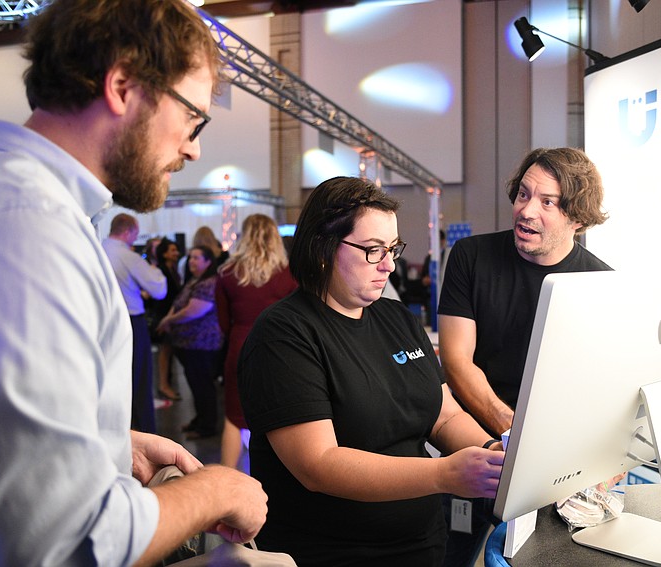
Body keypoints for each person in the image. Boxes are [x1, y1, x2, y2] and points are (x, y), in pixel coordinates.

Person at [0, 1, 267, 565]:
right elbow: (57, 541)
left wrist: (103, 445)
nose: (194, 147)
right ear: (121, 85)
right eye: (194, 118)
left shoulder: (21, 206)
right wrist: (216, 489)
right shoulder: (27, 230)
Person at [238, 176, 505, 567]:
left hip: (423, 545)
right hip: (330, 553)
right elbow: (320, 465)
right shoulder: (284, 336)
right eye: (372, 250)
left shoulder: (397, 318)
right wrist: (444, 474)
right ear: (324, 248)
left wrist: (490, 453)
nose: (388, 265)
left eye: (393, 249)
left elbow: (444, 414)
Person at [437, 147, 612, 566]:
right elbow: (457, 360)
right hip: (475, 445)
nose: (526, 210)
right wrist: (514, 437)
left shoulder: (600, 283)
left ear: (579, 219)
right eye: (523, 194)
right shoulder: (471, 258)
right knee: (452, 555)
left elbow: (600, 389)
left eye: (547, 202)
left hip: (556, 468)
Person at [216, 213, 297, 469]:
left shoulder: (227, 273)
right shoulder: (289, 274)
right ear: (275, 237)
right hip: (277, 350)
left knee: (233, 418)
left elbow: (222, 322)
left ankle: (226, 484)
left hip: (239, 345)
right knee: (279, 416)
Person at [103, 213, 168, 433]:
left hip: (103, 322)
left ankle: (115, 431)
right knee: (139, 380)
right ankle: (144, 434)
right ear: (129, 231)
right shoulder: (127, 255)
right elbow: (159, 289)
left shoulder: (97, 248)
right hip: (131, 322)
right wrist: (156, 267)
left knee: (112, 379)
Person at [157, 245, 224, 440]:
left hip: (201, 343)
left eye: (197, 258)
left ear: (208, 261)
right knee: (196, 384)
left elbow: (193, 311)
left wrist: (168, 320)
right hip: (189, 343)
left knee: (203, 386)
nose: (191, 261)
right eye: (191, 257)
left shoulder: (209, 283)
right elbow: (178, 303)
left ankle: (207, 426)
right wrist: (168, 319)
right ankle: (200, 419)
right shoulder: (195, 280)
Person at [151, 237, 183, 401]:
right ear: (164, 254)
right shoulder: (162, 271)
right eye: (172, 250)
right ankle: (163, 385)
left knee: (168, 351)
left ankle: (166, 384)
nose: (176, 253)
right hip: (164, 315)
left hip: (169, 315)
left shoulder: (173, 270)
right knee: (165, 351)